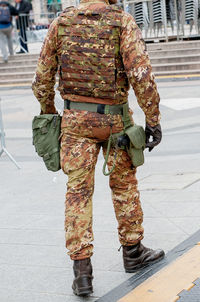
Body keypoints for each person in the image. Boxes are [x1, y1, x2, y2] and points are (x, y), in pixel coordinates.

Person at [32, 0, 165, 296]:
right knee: (124, 186)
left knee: (77, 192)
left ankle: (82, 273)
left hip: (74, 121)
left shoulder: (61, 23)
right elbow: (141, 76)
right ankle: (133, 252)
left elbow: (42, 77)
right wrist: (153, 119)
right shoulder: (121, 22)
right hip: (115, 120)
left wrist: (49, 111)